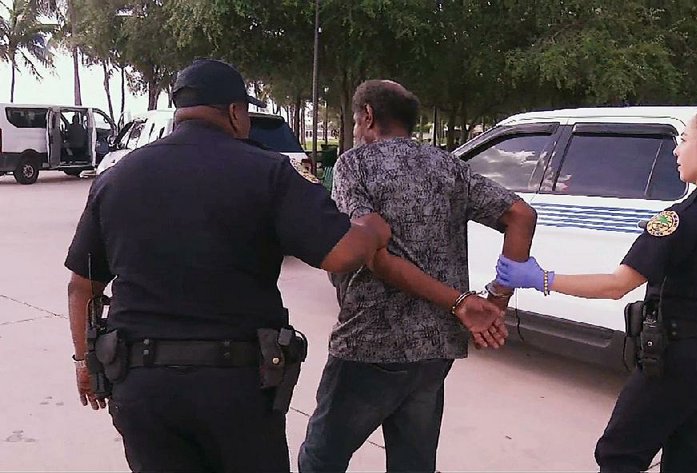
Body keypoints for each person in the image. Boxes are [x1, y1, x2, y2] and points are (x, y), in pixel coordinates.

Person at [65, 59, 393, 473]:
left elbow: (82, 286)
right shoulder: (267, 171)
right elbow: (342, 254)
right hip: (235, 389)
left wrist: (83, 362)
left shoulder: (118, 176)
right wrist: (372, 229)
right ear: (236, 112)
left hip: (142, 388)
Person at [495, 99, 697, 473]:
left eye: (683, 140)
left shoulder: (676, 220)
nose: (676, 149)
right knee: (687, 451)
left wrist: (540, 278)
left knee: (618, 454)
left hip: (681, 361)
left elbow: (616, 285)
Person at [298, 80, 538, 472]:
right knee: (414, 462)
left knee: (321, 458)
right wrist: (496, 301)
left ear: (368, 116)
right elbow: (521, 215)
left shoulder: (354, 165)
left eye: (357, 123)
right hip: (436, 348)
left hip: (371, 342)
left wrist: (463, 303)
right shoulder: (451, 167)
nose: (357, 132)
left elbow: (374, 255)